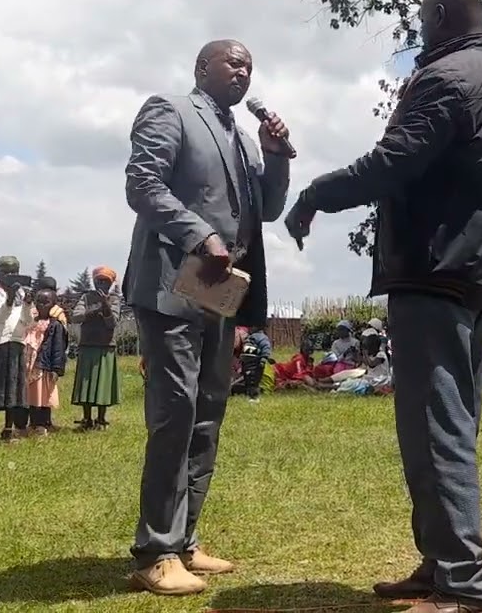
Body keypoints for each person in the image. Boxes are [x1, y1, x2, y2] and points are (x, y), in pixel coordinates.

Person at [283, 0, 482, 613]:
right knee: (453, 423)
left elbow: (394, 162)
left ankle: (465, 585)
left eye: (423, 17)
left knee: (434, 426)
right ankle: (440, 561)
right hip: (480, 274)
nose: (419, 28)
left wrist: (317, 194)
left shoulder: (446, 78)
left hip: (434, 271)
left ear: (441, 15)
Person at [122, 38, 291, 595]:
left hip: (220, 297)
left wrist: (276, 156)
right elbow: (142, 186)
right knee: (174, 413)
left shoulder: (242, 137)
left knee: (206, 415)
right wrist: (201, 234)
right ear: (203, 68)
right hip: (171, 288)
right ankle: (155, 550)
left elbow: (267, 209)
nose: (243, 73)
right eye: (234, 63)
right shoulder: (170, 111)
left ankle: (185, 540)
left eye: (250, 67)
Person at [0, 256, 34, 444]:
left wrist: (27, 303)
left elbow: (28, 321)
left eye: (14, 272)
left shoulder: (22, 293)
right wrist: (9, 298)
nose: (10, 276)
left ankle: (8, 429)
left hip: (16, 342)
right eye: (6, 272)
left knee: (13, 389)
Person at [71, 266, 122, 430]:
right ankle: (86, 418)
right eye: (99, 281)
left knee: (103, 385)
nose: (102, 284)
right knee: (87, 384)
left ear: (111, 283)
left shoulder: (114, 299)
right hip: (87, 345)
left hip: (105, 347)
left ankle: (101, 419)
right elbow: (76, 316)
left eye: (106, 281)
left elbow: (112, 322)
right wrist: (96, 310)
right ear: (93, 282)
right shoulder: (86, 297)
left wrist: (106, 307)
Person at [21, 289, 68, 436]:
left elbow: (58, 348)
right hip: (29, 365)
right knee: (30, 396)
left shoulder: (55, 325)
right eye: (39, 301)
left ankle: (43, 423)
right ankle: (32, 423)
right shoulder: (30, 321)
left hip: (43, 365)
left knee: (43, 396)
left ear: (53, 304)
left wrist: (56, 368)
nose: (42, 305)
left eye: (46, 302)